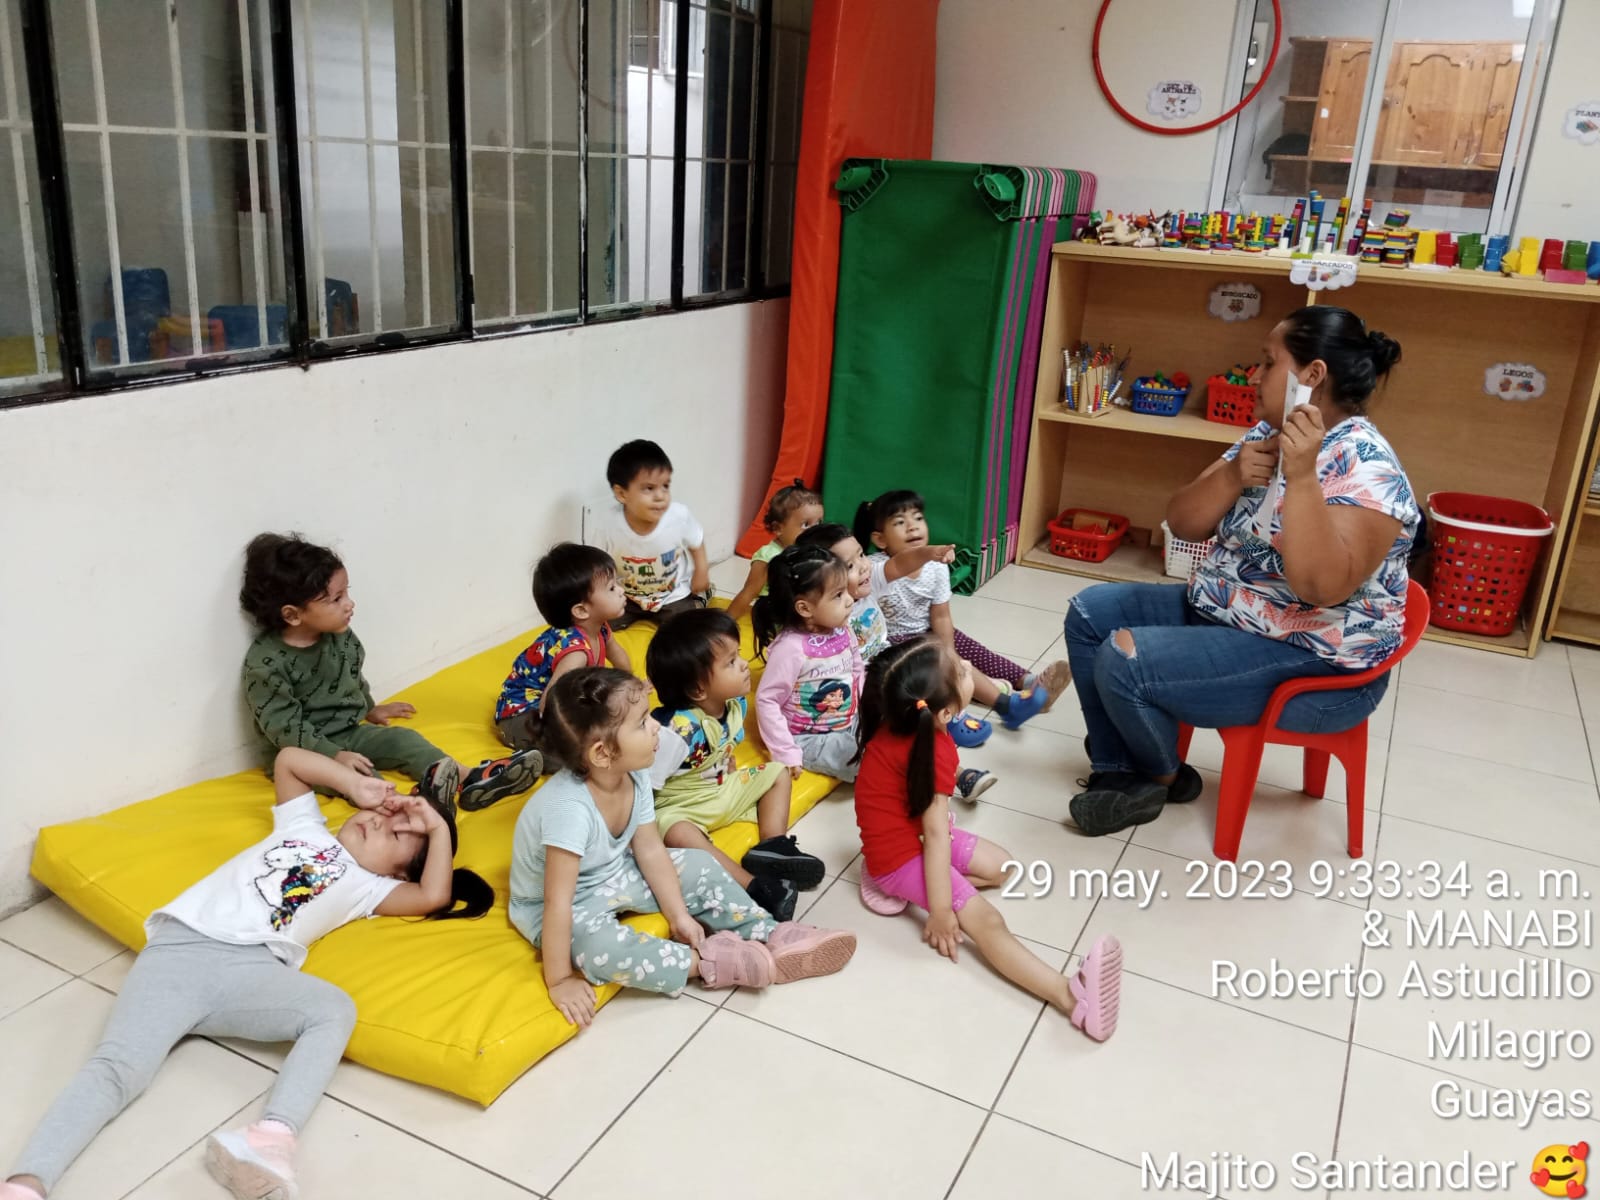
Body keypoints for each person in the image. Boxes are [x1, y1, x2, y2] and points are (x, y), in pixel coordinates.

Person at [0, 748, 492, 1200]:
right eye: (387, 815)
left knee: (333, 1010)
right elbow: (289, 761)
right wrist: (354, 785)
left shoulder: (370, 889)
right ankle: (27, 1183)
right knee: (118, 1070)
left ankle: (269, 1139)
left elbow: (433, 895)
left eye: (400, 837)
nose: (382, 823)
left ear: (398, 874)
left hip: (251, 974)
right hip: (181, 951)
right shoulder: (306, 828)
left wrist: (437, 828)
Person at [1065, 306, 1417, 836]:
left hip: (1315, 661)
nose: (1253, 376)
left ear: (1312, 376)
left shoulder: (1368, 466)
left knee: (1123, 658)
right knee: (1090, 614)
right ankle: (1123, 771)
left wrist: (1302, 478)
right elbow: (1183, 523)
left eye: (1268, 363)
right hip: (1233, 613)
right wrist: (1232, 474)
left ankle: (1158, 775)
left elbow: (1321, 588)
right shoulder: (1266, 432)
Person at [509, 667, 856, 1025]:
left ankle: (768, 931)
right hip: (560, 902)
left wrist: (679, 916)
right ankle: (706, 963)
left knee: (698, 864)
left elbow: (649, 849)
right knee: (597, 947)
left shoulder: (634, 773)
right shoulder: (568, 809)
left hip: (613, 872)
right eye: (642, 723)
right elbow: (557, 902)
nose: (656, 727)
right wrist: (560, 980)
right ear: (602, 753)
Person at [851, 636, 1122, 1041]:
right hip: (900, 856)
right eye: (961, 671)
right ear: (945, 711)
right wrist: (941, 911)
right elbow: (936, 835)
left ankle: (914, 888)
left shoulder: (908, 721)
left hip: (915, 836)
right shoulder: (931, 746)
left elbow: (929, 823)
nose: (967, 668)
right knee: (988, 923)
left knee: (1002, 867)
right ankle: (1072, 999)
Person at [239, 532, 539, 812]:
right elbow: (284, 728)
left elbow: (350, 675)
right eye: (336, 599)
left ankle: (469, 777)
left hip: (349, 732)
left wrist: (369, 708)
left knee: (403, 741)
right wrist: (334, 756)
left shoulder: (338, 634)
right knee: (363, 776)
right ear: (292, 615)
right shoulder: (266, 664)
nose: (350, 604)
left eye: (346, 593)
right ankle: (408, 809)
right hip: (306, 754)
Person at [644, 608, 823, 921]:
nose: (743, 664)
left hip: (721, 790)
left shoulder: (734, 704)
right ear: (698, 689)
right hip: (682, 807)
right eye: (730, 662)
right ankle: (754, 887)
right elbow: (644, 786)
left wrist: (727, 767)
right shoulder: (675, 732)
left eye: (738, 655)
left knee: (777, 773)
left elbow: (722, 747)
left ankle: (772, 846)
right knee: (678, 833)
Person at [853, 491, 1069, 745]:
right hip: (894, 644)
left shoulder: (936, 567)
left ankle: (1027, 682)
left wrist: (949, 650)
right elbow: (902, 564)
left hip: (928, 631)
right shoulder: (876, 569)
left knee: (968, 650)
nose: (913, 526)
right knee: (943, 666)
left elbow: (941, 616)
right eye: (900, 522)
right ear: (880, 539)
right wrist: (945, 658)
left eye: (918, 518)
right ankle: (1002, 705)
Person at [494, 542, 633, 769]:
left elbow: (621, 662)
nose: (621, 590)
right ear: (581, 610)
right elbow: (550, 703)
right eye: (611, 588)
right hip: (522, 715)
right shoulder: (575, 653)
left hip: (555, 701)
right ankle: (519, 766)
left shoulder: (601, 628)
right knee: (577, 760)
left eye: (617, 583)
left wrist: (632, 687)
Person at [751, 544, 864, 782]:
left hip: (850, 719)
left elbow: (857, 669)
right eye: (838, 595)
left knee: (894, 733)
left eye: (846, 591)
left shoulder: (843, 629)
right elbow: (767, 700)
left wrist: (868, 709)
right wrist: (785, 751)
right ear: (804, 608)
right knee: (862, 761)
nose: (849, 600)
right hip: (809, 737)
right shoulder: (790, 648)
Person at [594, 440, 710, 628]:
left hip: (672, 596)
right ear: (622, 494)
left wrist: (701, 571)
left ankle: (700, 599)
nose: (660, 496)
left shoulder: (678, 516)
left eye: (665, 486)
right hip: (626, 597)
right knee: (600, 626)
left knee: (687, 628)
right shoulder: (608, 524)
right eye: (649, 488)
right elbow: (597, 564)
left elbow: (696, 541)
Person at [725, 481, 825, 620]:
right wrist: (726, 623)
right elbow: (749, 592)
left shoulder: (809, 552)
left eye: (818, 523)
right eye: (806, 524)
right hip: (774, 615)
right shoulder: (769, 556)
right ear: (778, 528)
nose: (814, 531)